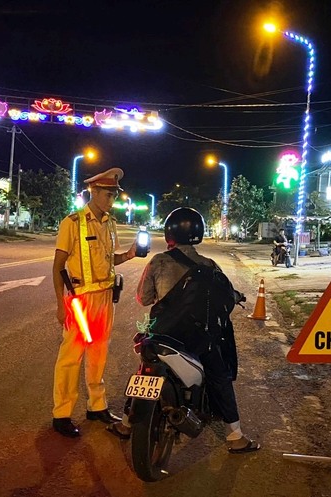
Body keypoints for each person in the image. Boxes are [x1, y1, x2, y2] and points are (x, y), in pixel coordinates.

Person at [109, 207, 261, 454]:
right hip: (198, 341)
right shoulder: (209, 265)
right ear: (199, 233)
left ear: (170, 234)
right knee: (219, 375)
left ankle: (126, 424)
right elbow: (226, 296)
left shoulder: (158, 261)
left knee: (143, 369)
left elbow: (143, 299)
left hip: (161, 335)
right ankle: (235, 436)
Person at [51, 167, 137, 438]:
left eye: (115, 193)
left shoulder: (110, 223)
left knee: (99, 353)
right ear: (94, 192)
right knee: (71, 357)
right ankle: (61, 414)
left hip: (105, 298)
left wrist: (130, 255)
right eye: (108, 193)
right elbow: (58, 266)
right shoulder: (73, 223)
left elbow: (109, 260)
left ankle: (96, 406)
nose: (113, 198)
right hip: (79, 299)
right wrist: (59, 303)